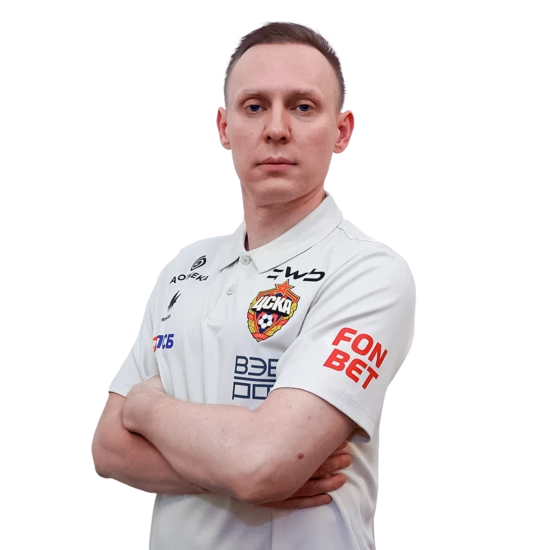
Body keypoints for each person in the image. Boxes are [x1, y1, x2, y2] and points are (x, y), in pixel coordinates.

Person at [90, 17, 417, 550]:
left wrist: (148, 409)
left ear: (343, 131)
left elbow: (263, 465)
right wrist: (242, 469)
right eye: (255, 106)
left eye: (303, 106)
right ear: (223, 127)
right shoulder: (182, 267)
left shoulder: (370, 271)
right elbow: (107, 449)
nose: (277, 129)